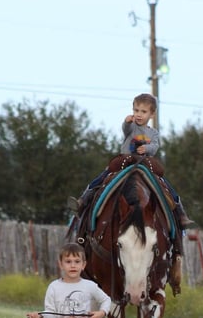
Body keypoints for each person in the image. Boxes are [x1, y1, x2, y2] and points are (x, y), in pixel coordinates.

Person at [72, 92, 195, 230]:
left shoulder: (153, 133)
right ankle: (84, 199)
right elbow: (125, 129)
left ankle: (180, 212)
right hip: (126, 159)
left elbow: (155, 147)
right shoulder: (131, 126)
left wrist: (147, 148)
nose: (139, 114)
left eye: (143, 111)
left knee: (162, 181)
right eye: (136, 110)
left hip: (144, 161)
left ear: (151, 115)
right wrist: (126, 121)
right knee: (106, 174)